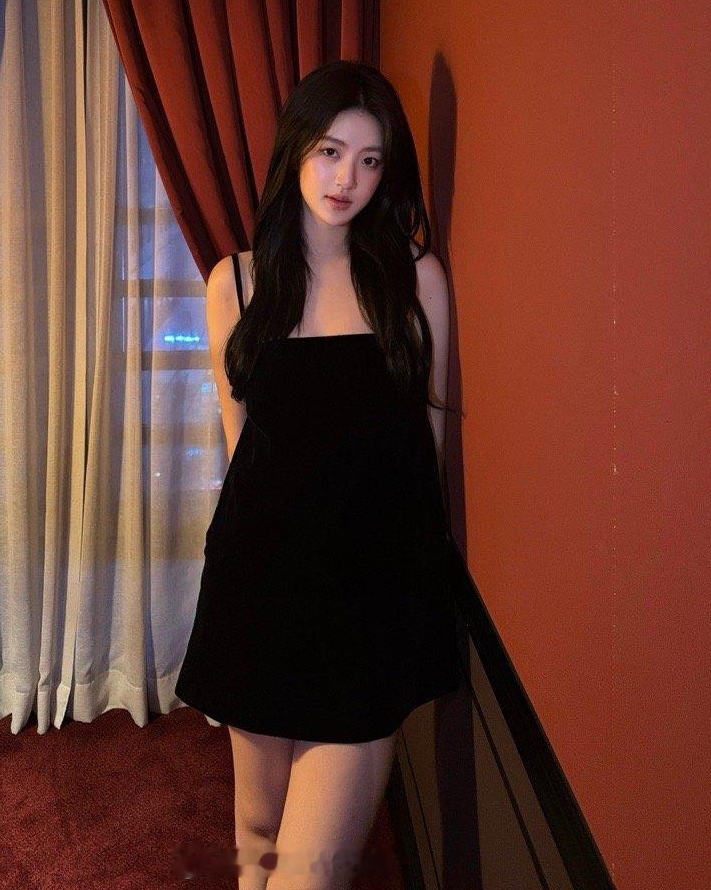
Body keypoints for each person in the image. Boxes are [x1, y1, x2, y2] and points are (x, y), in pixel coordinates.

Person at [174, 59, 463, 890]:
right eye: (331, 152)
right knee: (255, 840)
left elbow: (426, 452)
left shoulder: (414, 280)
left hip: (366, 610)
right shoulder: (235, 283)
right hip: (258, 593)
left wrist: (412, 602)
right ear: (295, 150)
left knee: (307, 876)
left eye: (370, 161)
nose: (347, 180)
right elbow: (244, 450)